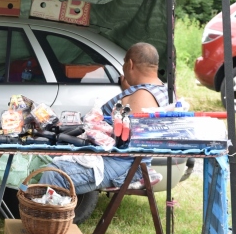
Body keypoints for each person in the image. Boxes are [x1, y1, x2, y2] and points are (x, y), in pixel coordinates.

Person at [40, 42, 172, 194]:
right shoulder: (164, 91)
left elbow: (126, 142)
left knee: (55, 174)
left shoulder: (141, 96)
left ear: (130, 64)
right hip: (128, 160)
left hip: (121, 163)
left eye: (123, 64)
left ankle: (42, 215)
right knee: (52, 155)